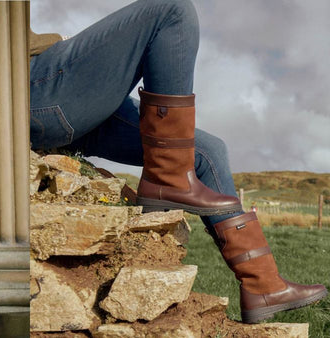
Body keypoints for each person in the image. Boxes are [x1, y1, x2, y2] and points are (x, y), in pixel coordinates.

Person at [29, 0, 327, 324]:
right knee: (172, 10)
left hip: (63, 98)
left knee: (208, 151)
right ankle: (167, 178)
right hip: (35, 88)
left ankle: (263, 284)